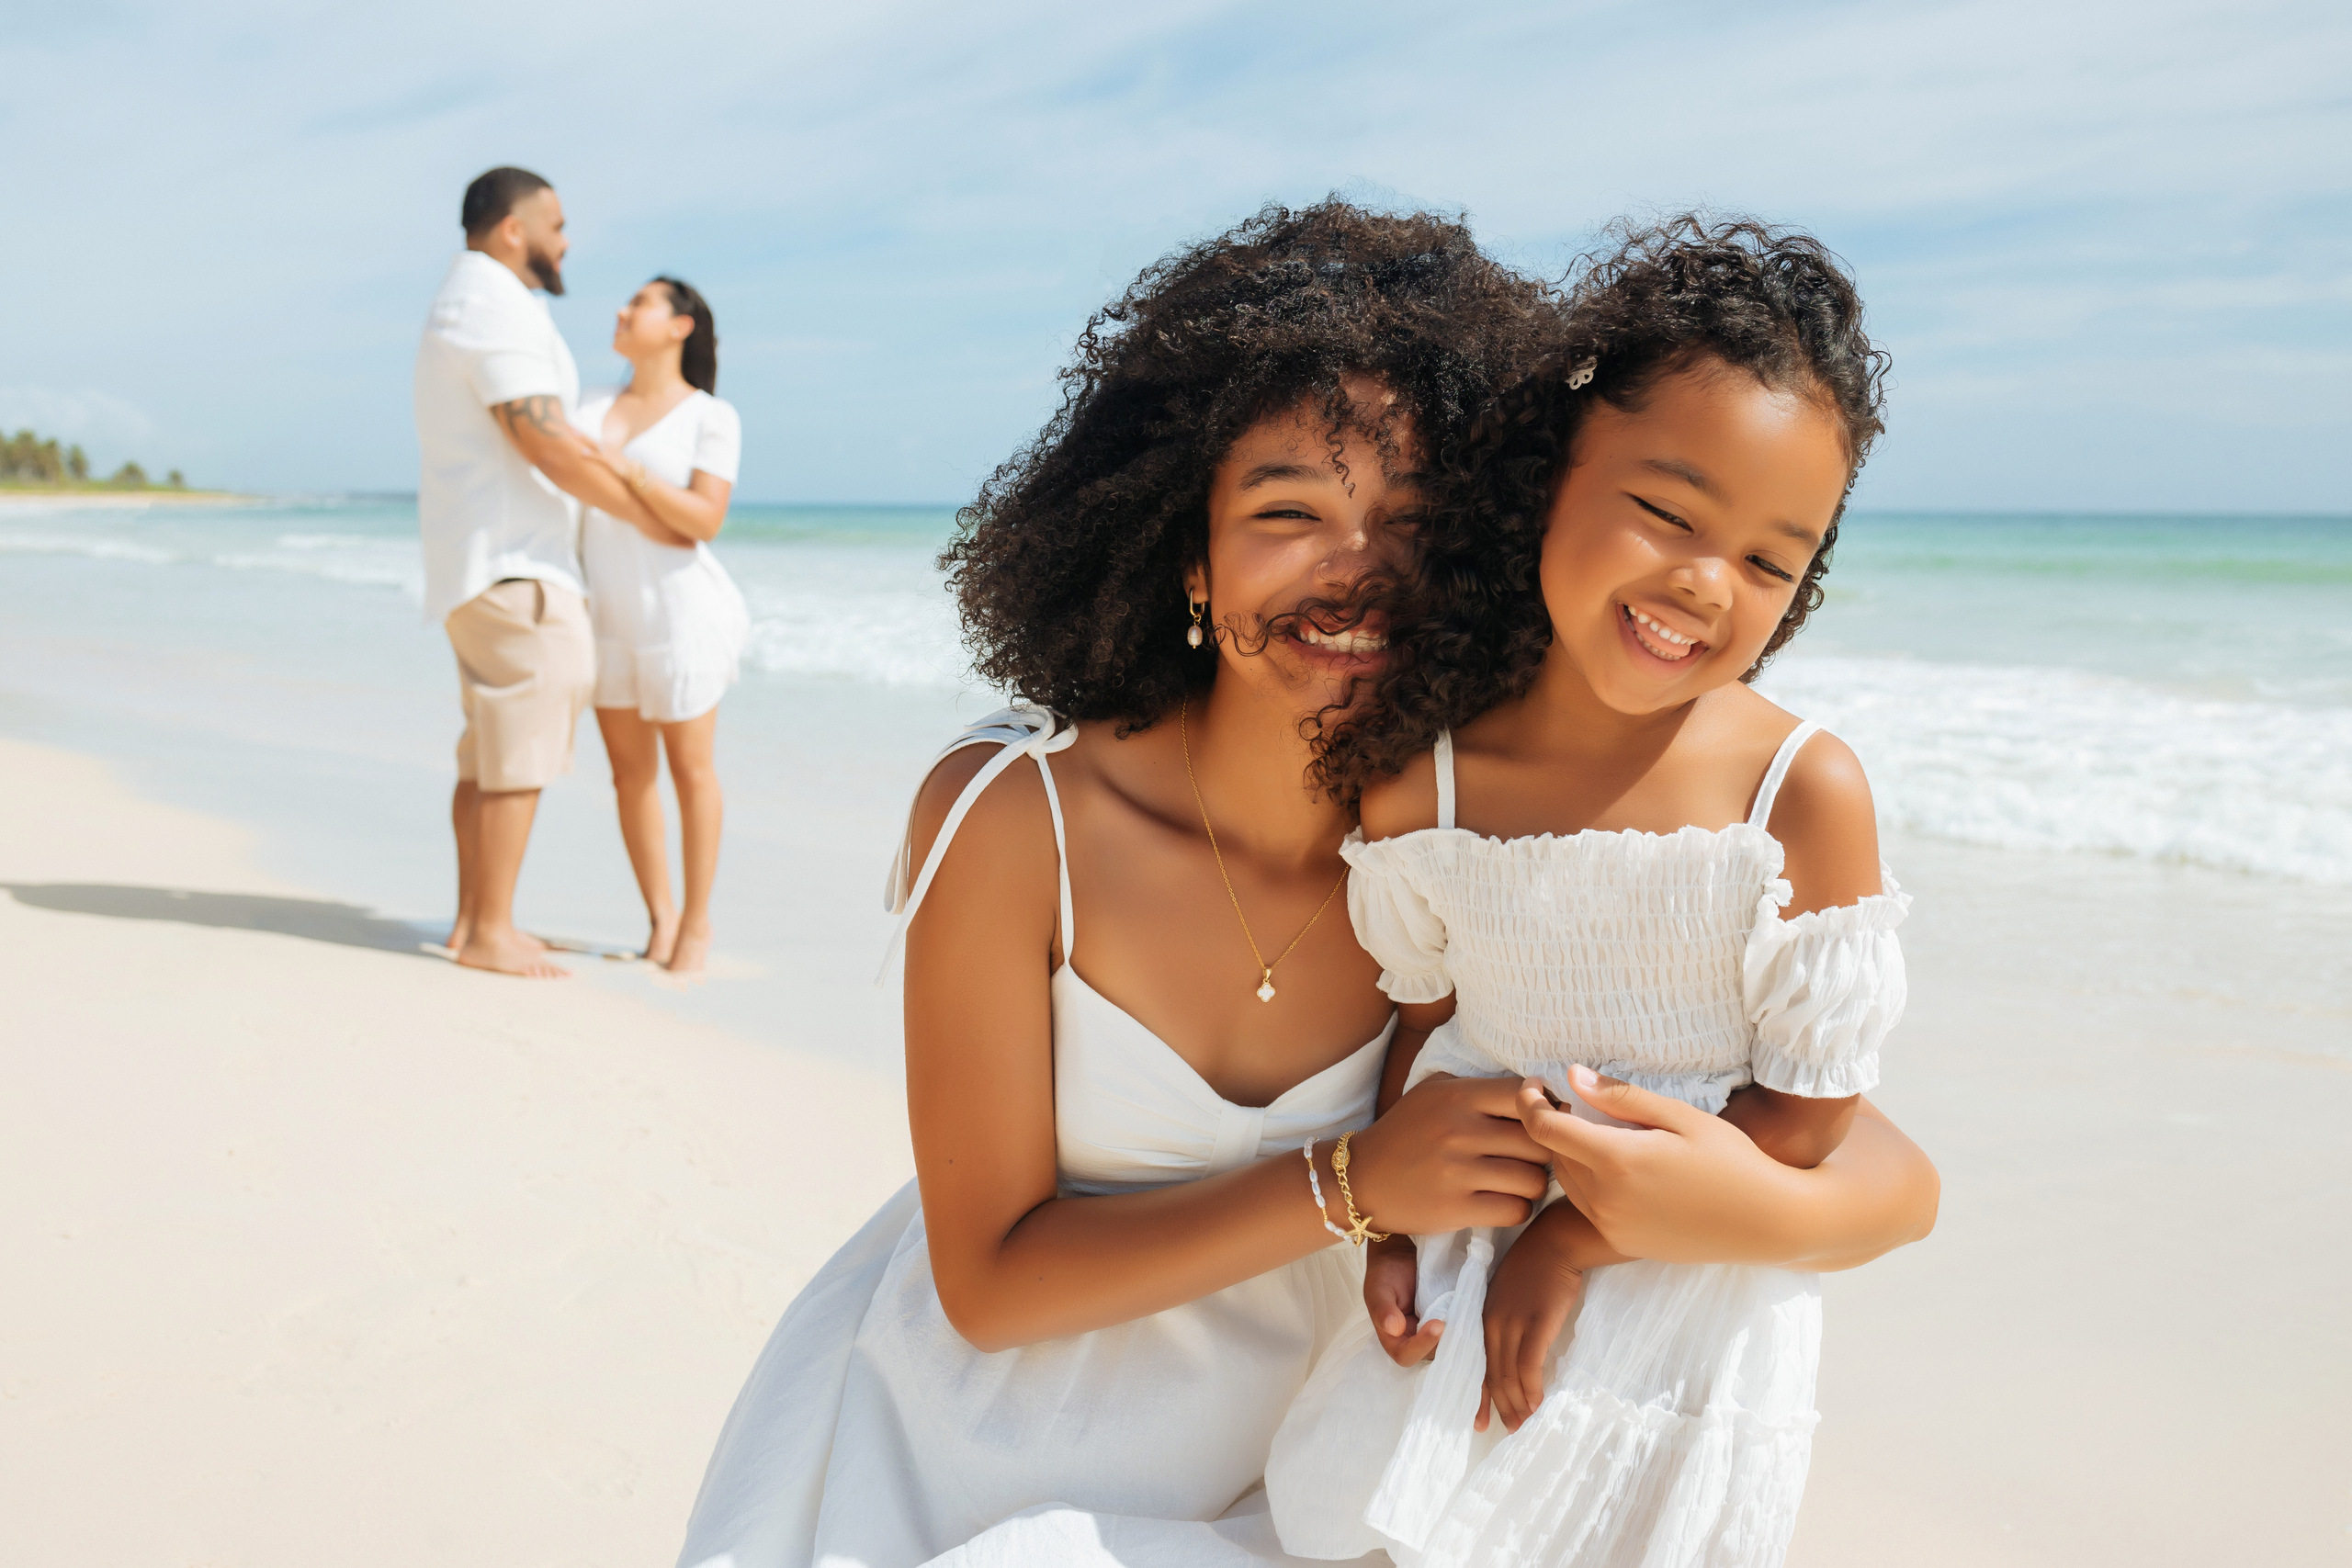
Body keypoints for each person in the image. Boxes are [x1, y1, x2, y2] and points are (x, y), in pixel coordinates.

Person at [675, 204, 1939, 1568]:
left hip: (1309, 1483)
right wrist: (1356, 1182)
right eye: (1290, 512)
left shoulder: (1475, 850)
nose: (1358, 567)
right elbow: (986, 1281)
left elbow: (1872, 1159)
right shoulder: (1018, 816)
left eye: (1411, 519)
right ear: (1190, 553)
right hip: (963, 1454)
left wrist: (1650, 1222)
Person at [1266, 217, 1912, 1568]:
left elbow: (1808, 1109)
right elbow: (1421, 1022)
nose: (1702, 581)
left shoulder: (1797, 792)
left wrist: (1578, 1237)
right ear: (1552, 472)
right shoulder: (1425, 787)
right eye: (1668, 512)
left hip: (1680, 1315)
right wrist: (1385, 1214)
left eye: (1768, 558)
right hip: (1460, 1274)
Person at [412, 165, 666, 976]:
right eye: (555, 224)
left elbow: (549, 430)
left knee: (486, 755)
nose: (566, 240)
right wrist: (649, 516)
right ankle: (490, 930)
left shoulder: (474, 301)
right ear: (514, 229)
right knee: (515, 752)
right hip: (514, 567)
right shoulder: (491, 304)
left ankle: (472, 921)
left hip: (484, 561)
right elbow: (543, 439)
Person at [571, 276, 748, 973]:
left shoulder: (711, 416)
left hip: (681, 613)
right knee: (628, 776)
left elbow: (704, 521)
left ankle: (696, 925)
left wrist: (628, 474)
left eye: (639, 303)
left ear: (679, 326)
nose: (621, 310)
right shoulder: (585, 408)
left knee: (691, 770)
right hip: (604, 612)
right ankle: (660, 917)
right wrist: (649, 501)